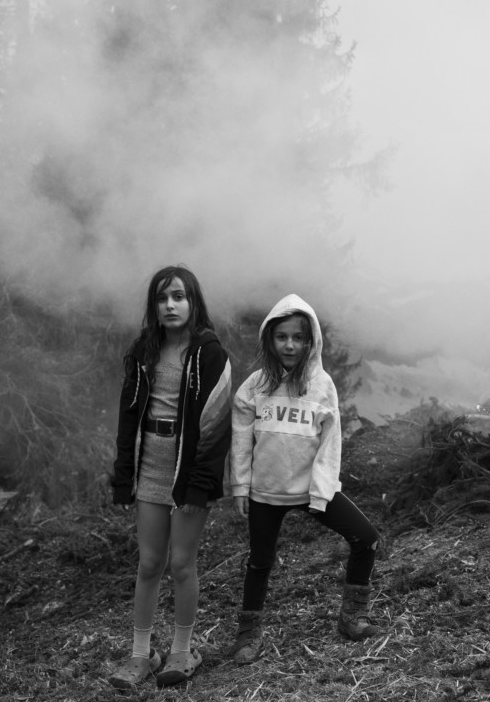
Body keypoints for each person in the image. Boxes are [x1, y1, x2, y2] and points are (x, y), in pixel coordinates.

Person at [228, 293, 382, 665]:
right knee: (259, 562)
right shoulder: (256, 385)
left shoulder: (321, 384)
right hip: (265, 492)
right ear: (269, 338)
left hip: (311, 489)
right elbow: (241, 436)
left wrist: (322, 488)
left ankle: (352, 617)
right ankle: (248, 636)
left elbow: (331, 440)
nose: (290, 345)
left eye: (298, 337)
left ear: (310, 340)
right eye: (282, 337)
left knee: (367, 538)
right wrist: (240, 484)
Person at [108, 265, 232, 689]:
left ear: (193, 302)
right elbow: (127, 419)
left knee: (181, 564)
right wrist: (123, 477)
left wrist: (201, 484)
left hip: (188, 472)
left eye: (178, 296)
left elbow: (216, 426)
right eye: (162, 298)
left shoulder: (209, 353)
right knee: (149, 564)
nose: (170, 305)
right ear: (154, 306)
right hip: (151, 468)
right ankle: (141, 655)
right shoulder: (143, 351)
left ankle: (182, 650)